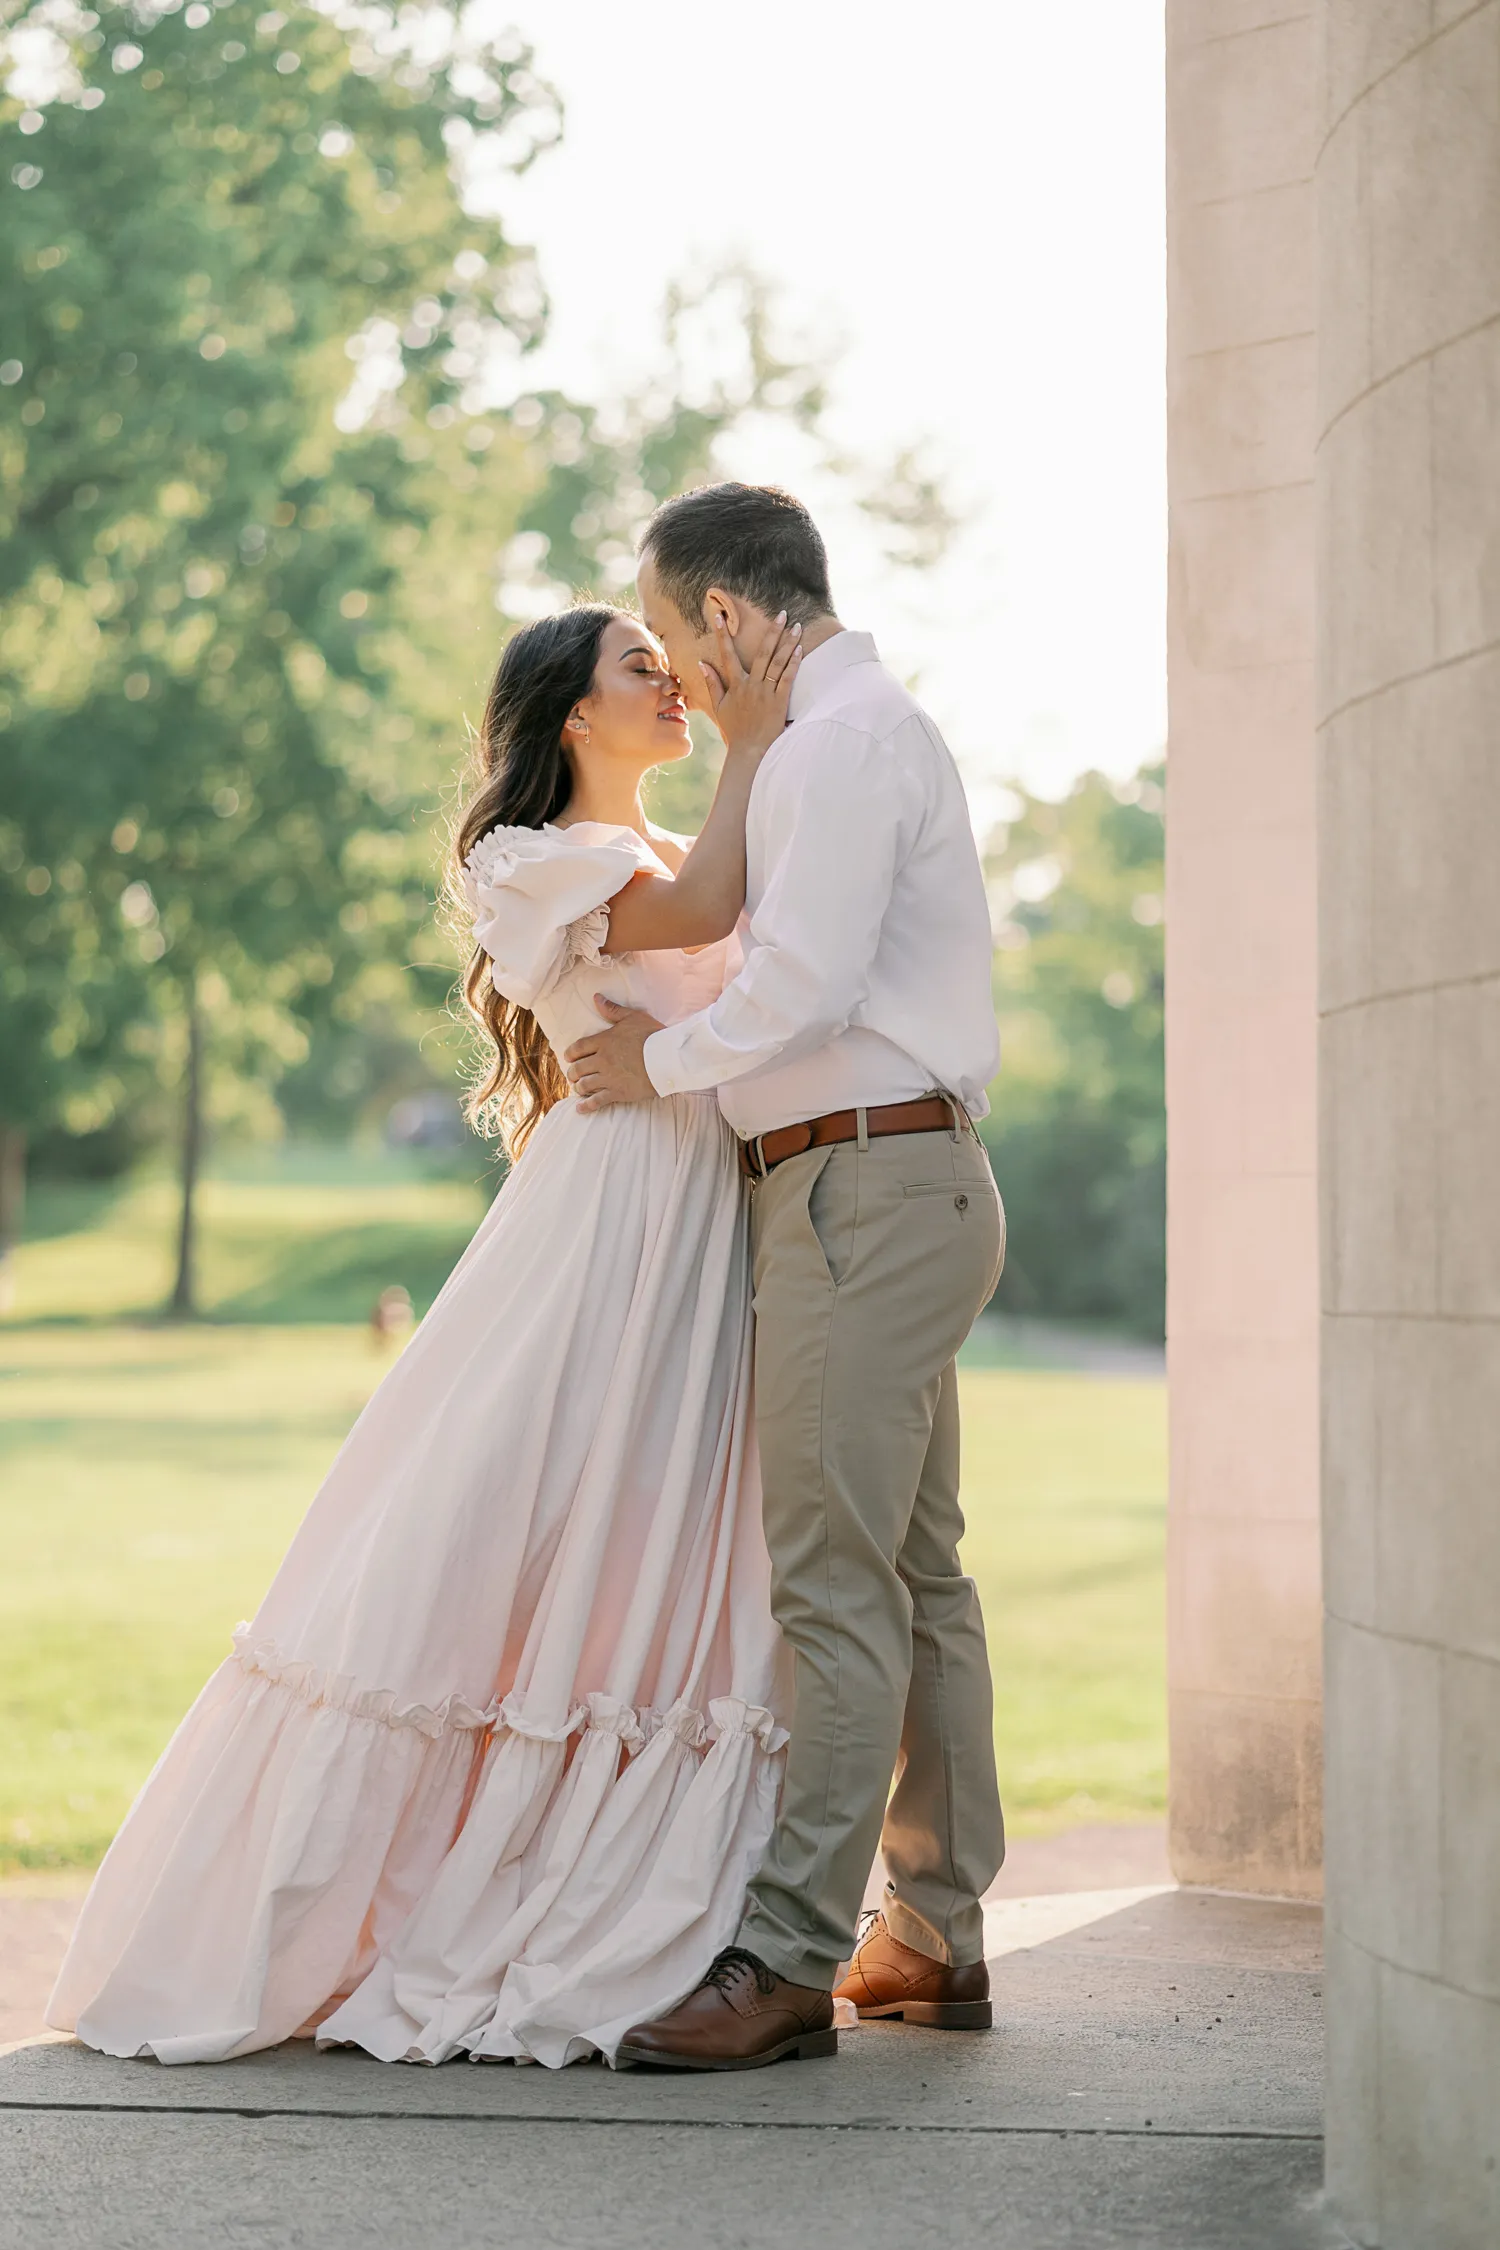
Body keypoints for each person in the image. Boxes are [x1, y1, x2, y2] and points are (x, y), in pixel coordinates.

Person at [47, 602, 808, 2069]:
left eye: (673, 666)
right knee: (505, 1513)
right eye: (642, 667)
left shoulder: (657, 853)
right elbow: (709, 908)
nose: (673, 686)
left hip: (709, 1210)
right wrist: (758, 729)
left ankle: (653, 1864)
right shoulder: (530, 860)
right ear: (571, 713)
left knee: (672, 1528)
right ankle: (400, 1888)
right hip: (613, 1217)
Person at [565, 483, 1007, 2071]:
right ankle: (936, 1935)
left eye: (679, 637)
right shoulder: (866, 731)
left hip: (859, 1190)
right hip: (912, 1181)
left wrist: (656, 1062)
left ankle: (785, 1958)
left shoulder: (831, 744)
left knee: (833, 1582)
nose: (680, 675)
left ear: (739, 617)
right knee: (917, 1574)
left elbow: (803, 984)